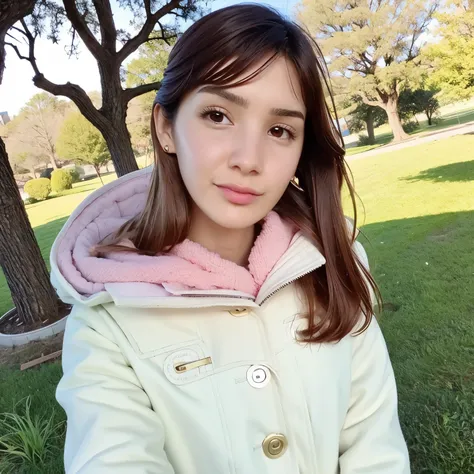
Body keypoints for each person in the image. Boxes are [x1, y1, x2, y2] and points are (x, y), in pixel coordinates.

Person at [51, 4, 410, 473]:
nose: (249, 158)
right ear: (166, 128)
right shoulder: (107, 318)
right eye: (218, 115)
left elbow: (373, 442)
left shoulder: (335, 262)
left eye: (280, 130)